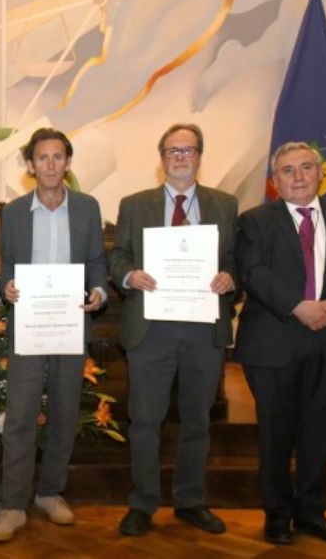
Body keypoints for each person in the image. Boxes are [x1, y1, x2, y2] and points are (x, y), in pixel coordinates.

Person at [235, 141, 326, 546]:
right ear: (275, 181)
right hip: (273, 344)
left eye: (306, 167)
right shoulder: (254, 221)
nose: (298, 176)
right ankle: (277, 515)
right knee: (275, 434)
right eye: (287, 170)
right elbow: (253, 271)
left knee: (319, 432)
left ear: (321, 174)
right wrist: (298, 307)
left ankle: (312, 513)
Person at [107, 123, 238, 537]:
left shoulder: (225, 204)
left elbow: (235, 258)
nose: (180, 157)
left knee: (197, 420)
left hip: (203, 329)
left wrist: (230, 277)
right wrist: (130, 275)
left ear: (200, 155)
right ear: (161, 157)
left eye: (188, 150)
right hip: (152, 329)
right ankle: (143, 503)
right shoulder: (135, 205)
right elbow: (118, 256)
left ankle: (191, 500)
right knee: (145, 420)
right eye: (172, 150)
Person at [0, 127, 107, 543]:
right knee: (20, 415)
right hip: (30, 326)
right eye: (42, 157)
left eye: (58, 157)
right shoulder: (16, 212)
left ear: (68, 163)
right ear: (30, 165)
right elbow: (6, 266)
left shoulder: (88, 208)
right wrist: (7, 287)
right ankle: (13, 505)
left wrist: (99, 291)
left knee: (64, 411)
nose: (51, 164)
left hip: (71, 324)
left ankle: (50, 492)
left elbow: (97, 263)